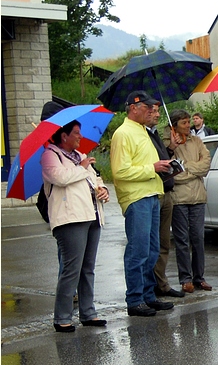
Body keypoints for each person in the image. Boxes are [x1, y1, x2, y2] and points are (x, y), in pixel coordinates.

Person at [110, 90, 177, 317]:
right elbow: (119, 171)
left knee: (151, 250)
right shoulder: (123, 134)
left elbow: (146, 163)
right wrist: (153, 169)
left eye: (152, 108)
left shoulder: (143, 132)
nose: (151, 111)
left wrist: (163, 164)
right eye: (147, 108)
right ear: (133, 108)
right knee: (138, 251)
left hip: (151, 194)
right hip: (137, 198)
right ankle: (135, 299)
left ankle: (148, 295)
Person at [42, 120, 110, 331]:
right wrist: (81, 167)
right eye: (77, 133)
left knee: (88, 268)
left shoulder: (81, 156)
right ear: (64, 136)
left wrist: (102, 189)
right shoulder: (50, 156)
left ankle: (88, 312)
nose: (81, 137)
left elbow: (95, 179)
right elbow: (60, 178)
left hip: (92, 215)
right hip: (70, 218)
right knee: (72, 268)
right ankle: (62, 317)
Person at [166, 109, 212, 294]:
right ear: (175, 125)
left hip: (198, 197)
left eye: (188, 122)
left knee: (198, 238)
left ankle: (199, 277)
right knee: (182, 240)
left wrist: (186, 168)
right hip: (179, 198)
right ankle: (185, 278)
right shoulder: (170, 145)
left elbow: (206, 165)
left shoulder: (197, 141)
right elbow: (172, 173)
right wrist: (192, 171)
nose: (188, 125)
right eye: (184, 123)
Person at [147, 102, 183, 299]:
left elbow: (162, 158)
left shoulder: (154, 135)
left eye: (158, 111)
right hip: (154, 192)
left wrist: (170, 148)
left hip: (166, 190)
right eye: (153, 111)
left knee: (163, 242)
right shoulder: (143, 135)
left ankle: (161, 282)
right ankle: (152, 285)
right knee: (152, 243)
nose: (157, 114)